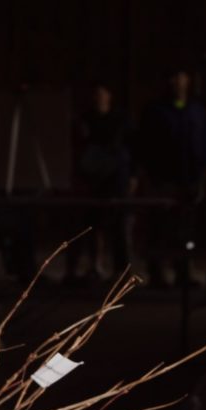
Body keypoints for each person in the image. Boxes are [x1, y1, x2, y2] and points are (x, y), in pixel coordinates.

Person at [135, 68, 206, 288]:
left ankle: (183, 270)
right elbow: (145, 144)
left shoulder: (196, 111)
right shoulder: (155, 111)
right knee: (159, 226)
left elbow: (204, 143)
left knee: (185, 229)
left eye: (180, 77)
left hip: (190, 179)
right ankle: (157, 272)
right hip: (163, 179)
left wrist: (202, 175)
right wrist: (149, 175)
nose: (176, 82)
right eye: (172, 77)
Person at [67, 83, 133, 285]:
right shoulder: (85, 121)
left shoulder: (120, 121)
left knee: (119, 226)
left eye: (102, 95)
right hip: (93, 181)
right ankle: (93, 265)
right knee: (91, 226)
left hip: (115, 181)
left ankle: (121, 269)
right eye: (95, 95)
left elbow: (129, 147)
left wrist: (132, 176)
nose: (99, 99)